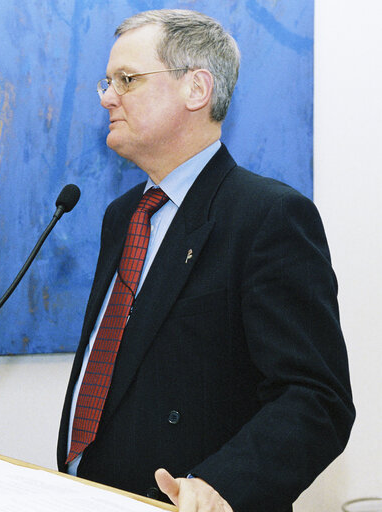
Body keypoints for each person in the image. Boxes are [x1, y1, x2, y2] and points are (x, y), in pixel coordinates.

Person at [57, 10, 354, 512]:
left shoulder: (268, 216)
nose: (107, 96)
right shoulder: (121, 215)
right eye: (107, 82)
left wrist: (222, 485)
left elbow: (315, 398)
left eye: (126, 80)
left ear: (196, 89)